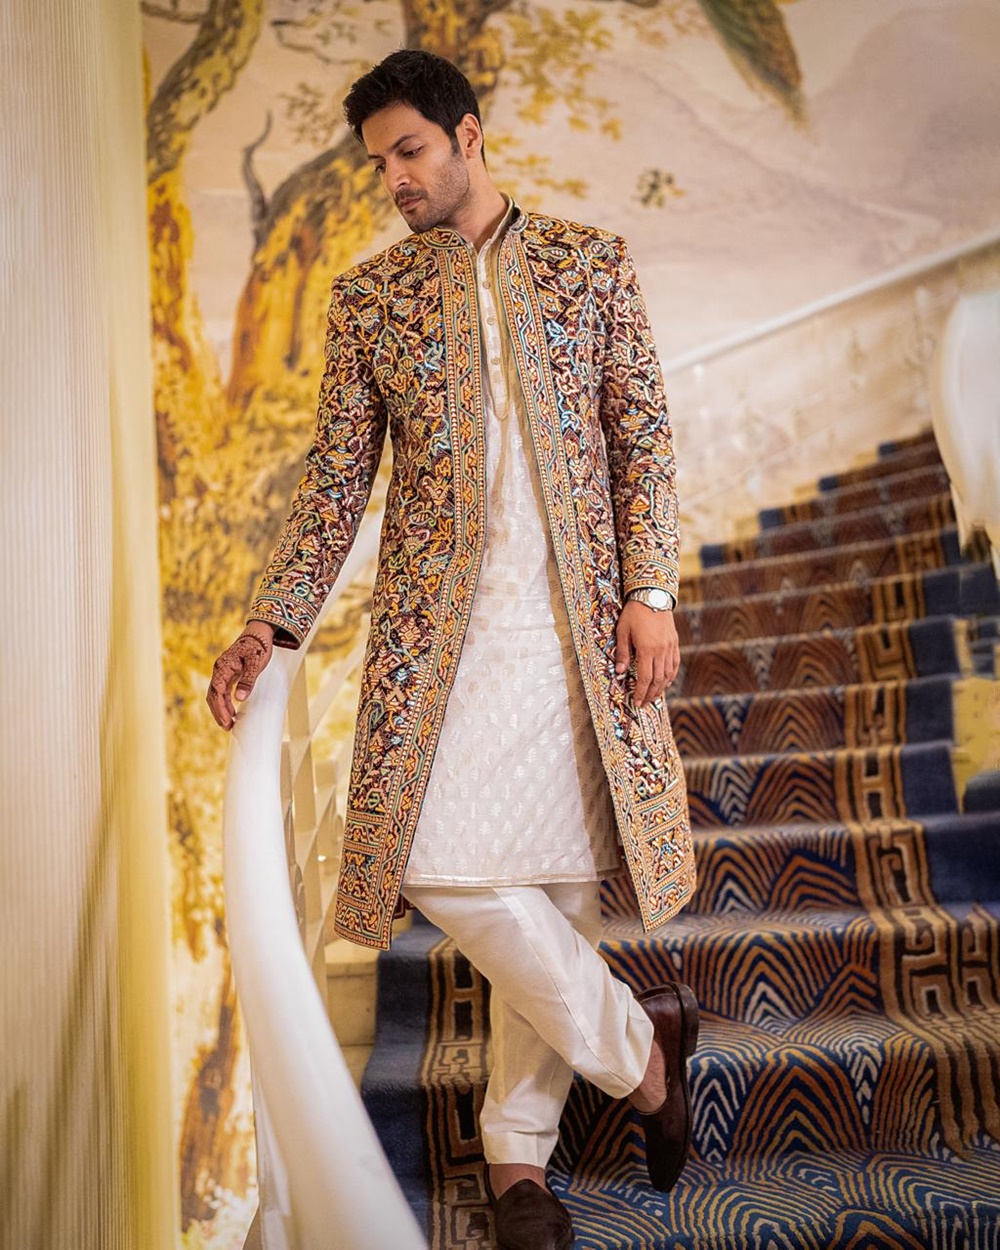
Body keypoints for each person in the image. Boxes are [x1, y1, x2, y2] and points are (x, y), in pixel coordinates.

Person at [208, 50, 698, 1250]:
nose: (393, 177)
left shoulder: (587, 263)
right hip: (441, 652)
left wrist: (649, 586)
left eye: (409, 150)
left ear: (468, 137)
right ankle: (643, 1051)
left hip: (577, 642)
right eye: (379, 160)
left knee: (559, 895)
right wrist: (272, 618)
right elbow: (335, 482)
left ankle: (517, 1162)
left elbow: (640, 432)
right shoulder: (369, 300)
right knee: (435, 861)